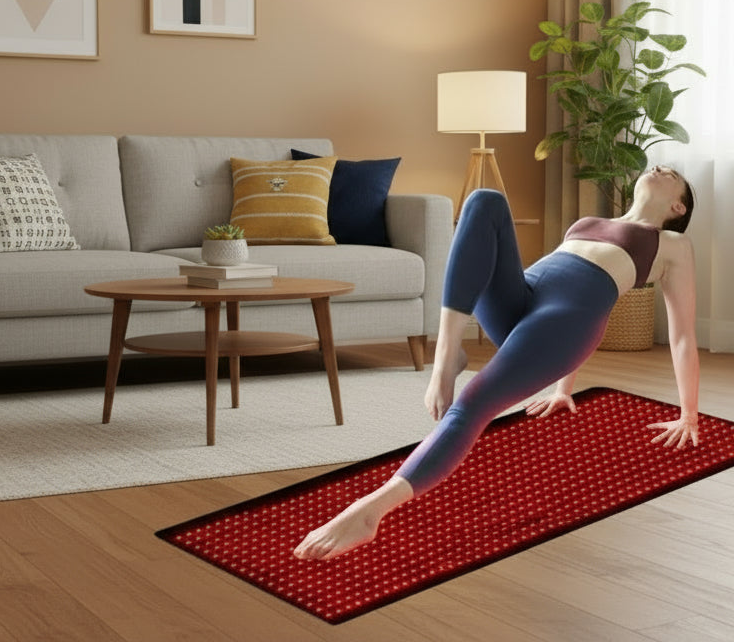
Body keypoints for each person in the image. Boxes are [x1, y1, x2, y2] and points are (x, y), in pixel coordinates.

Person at [293, 165, 700, 561]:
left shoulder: (671, 244)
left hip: (562, 320)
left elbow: (681, 334)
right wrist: (563, 389)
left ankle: (371, 510)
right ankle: (446, 354)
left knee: (472, 403)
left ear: (678, 208)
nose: (661, 167)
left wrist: (689, 417)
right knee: (484, 199)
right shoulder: (586, 221)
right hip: (521, 297)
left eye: (672, 176)